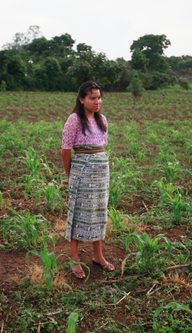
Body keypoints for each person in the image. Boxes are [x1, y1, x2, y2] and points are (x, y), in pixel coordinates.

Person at [61, 81, 115, 279]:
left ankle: (98, 255)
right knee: (78, 212)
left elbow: (102, 146)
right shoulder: (74, 119)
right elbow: (65, 151)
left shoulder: (103, 120)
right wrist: (70, 175)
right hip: (81, 170)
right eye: (92, 98)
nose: (97, 101)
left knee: (99, 211)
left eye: (99, 97)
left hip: (101, 172)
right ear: (82, 99)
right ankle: (74, 259)